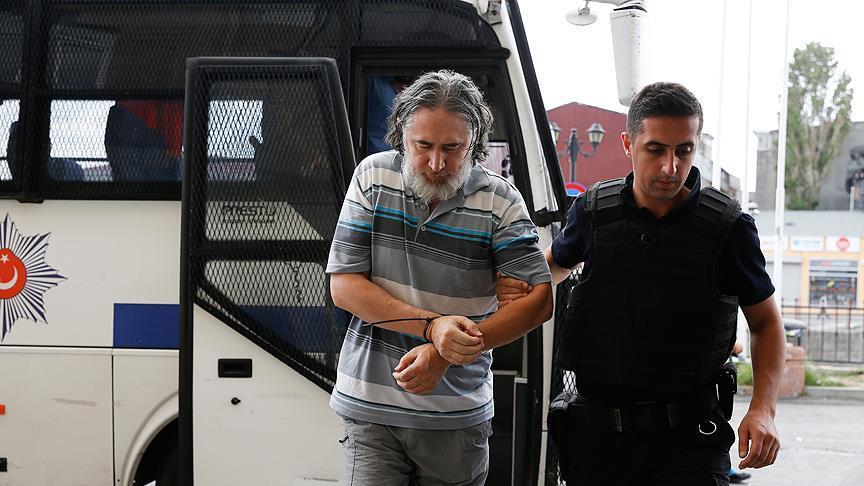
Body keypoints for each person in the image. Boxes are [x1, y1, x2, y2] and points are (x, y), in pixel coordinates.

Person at [498, 82, 785, 485]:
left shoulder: (729, 228)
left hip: (689, 442)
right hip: (597, 441)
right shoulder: (594, 211)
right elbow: (553, 267)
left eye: (684, 150)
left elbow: (766, 323)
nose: (670, 166)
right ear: (627, 144)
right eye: (656, 149)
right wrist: (514, 284)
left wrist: (763, 409)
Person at [326, 69, 553, 485]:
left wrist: (446, 353)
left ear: (475, 143)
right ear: (401, 134)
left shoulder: (501, 201)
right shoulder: (373, 177)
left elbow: (538, 302)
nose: (436, 163)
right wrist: (433, 329)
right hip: (370, 405)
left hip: (457, 415)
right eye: (423, 146)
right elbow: (343, 286)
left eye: (452, 148)